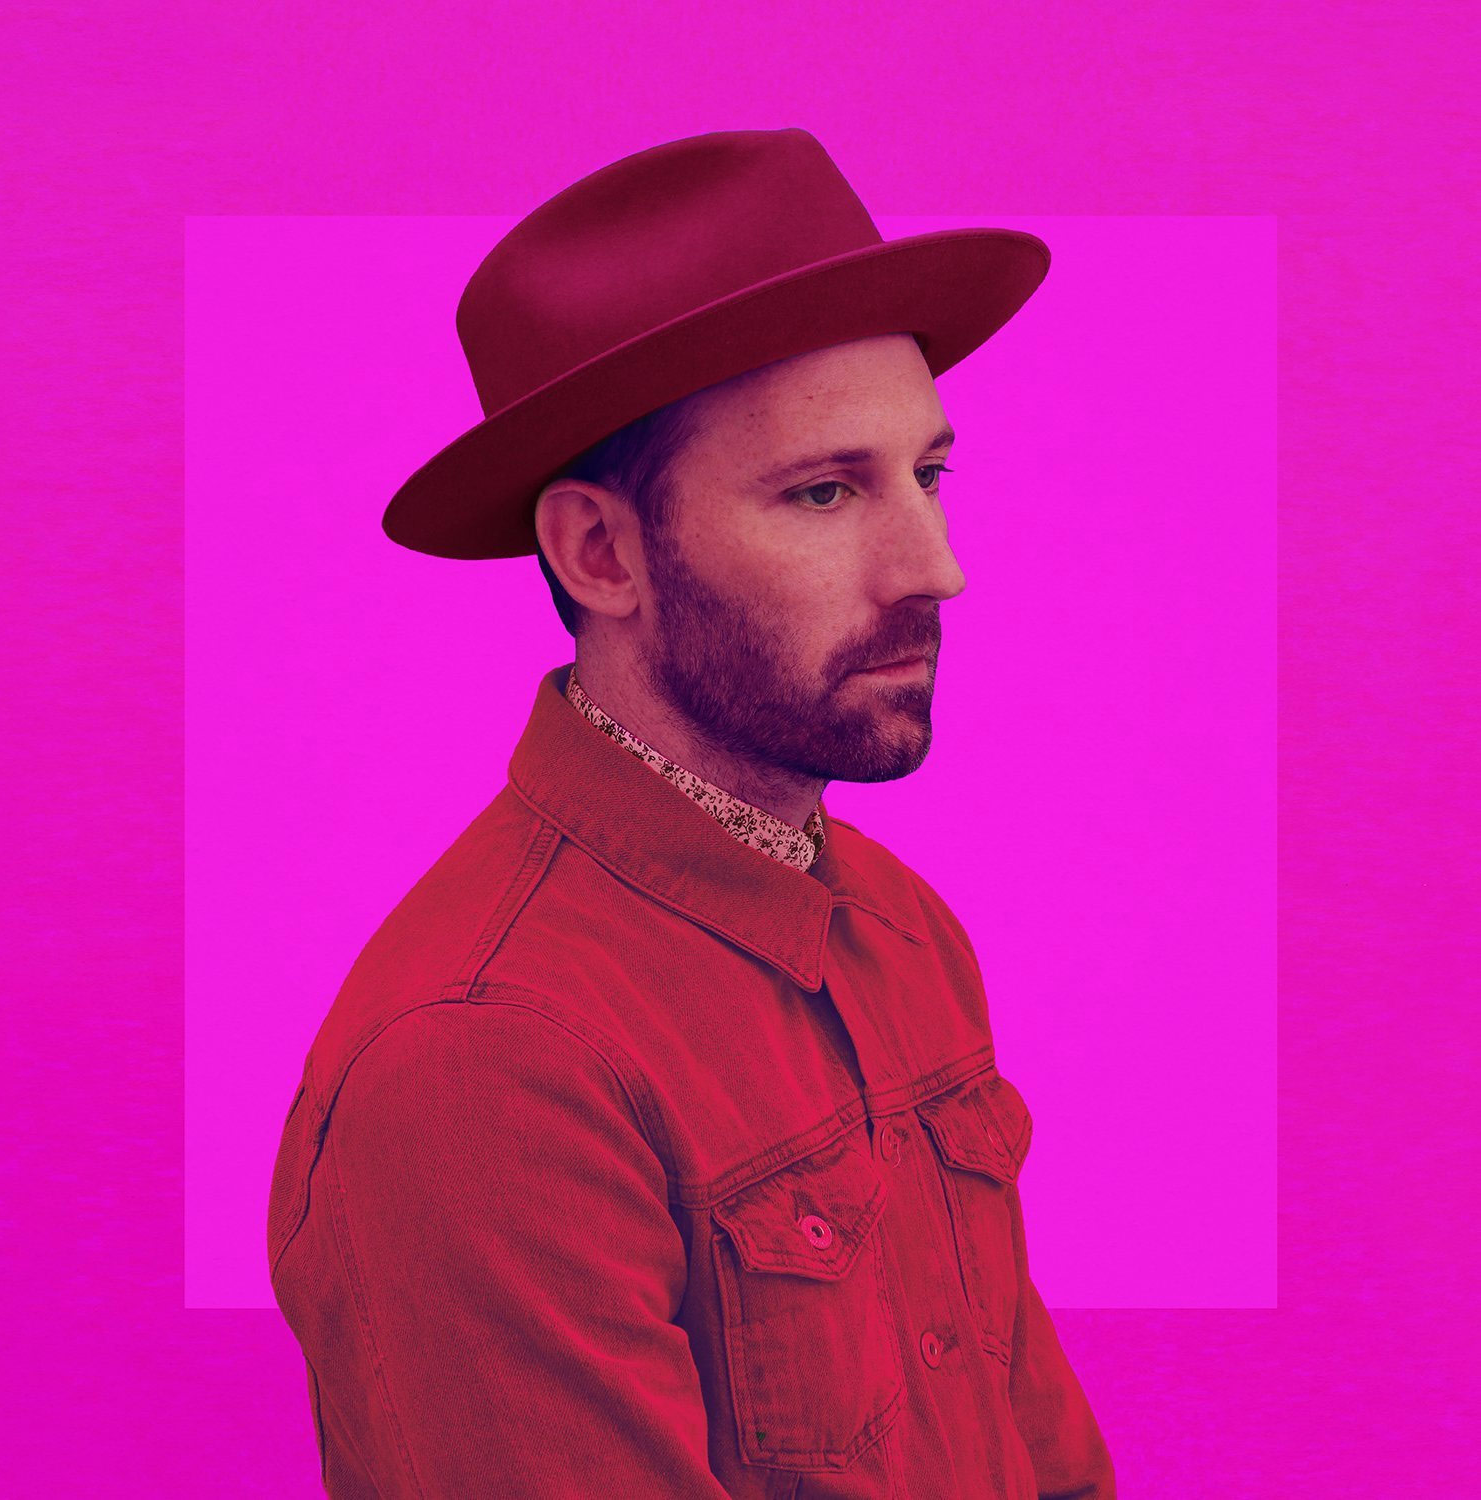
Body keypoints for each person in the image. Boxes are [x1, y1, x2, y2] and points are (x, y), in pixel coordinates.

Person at [267, 126, 1116, 1498]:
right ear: (601, 551)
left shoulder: (901, 928)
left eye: (929, 474)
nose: (935, 565)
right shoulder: (484, 1064)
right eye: (826, 490)